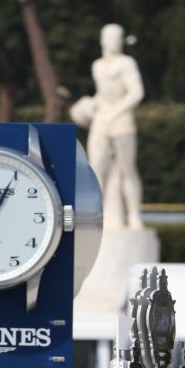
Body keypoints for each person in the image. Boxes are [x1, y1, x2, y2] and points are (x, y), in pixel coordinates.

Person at [71, 23, 145, 229]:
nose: (115, 41)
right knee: (96, 169)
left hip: (121, 120)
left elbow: (136, 93)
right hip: (102, 119)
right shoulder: (97, 65)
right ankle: (97, 214)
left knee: (127, 169)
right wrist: (88, 105)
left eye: (118, 37)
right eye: (111, 37)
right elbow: (102, 94)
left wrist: (115, 112)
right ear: (103, 40)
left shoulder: (127, 63)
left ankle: (134, 215)